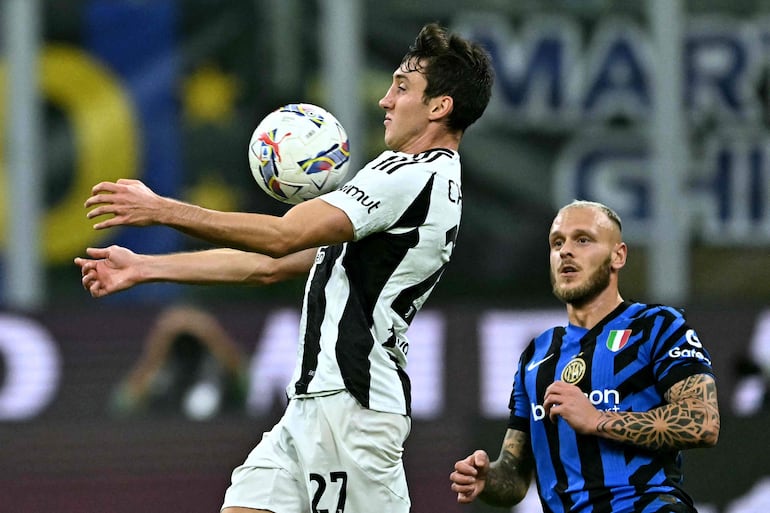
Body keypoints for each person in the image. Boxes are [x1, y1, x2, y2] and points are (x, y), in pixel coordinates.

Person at [75, 22, 494, 513]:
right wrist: (145, 267)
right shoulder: (412, 183)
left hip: (353, 408)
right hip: (311, 406)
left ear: (439, 107)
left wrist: (161, 209)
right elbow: (270, 265)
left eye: (402, 87)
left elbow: (282, 236)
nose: (385, 100)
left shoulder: (409, 176)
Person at [449, 200, 720, 513]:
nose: (566, 251)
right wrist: (487, 479)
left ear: (618, 255)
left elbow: (703, 421)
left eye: (583, 239)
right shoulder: (537, 354)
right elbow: (515, 476)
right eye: (557, 242)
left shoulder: (657, 325)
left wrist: (598, 419)